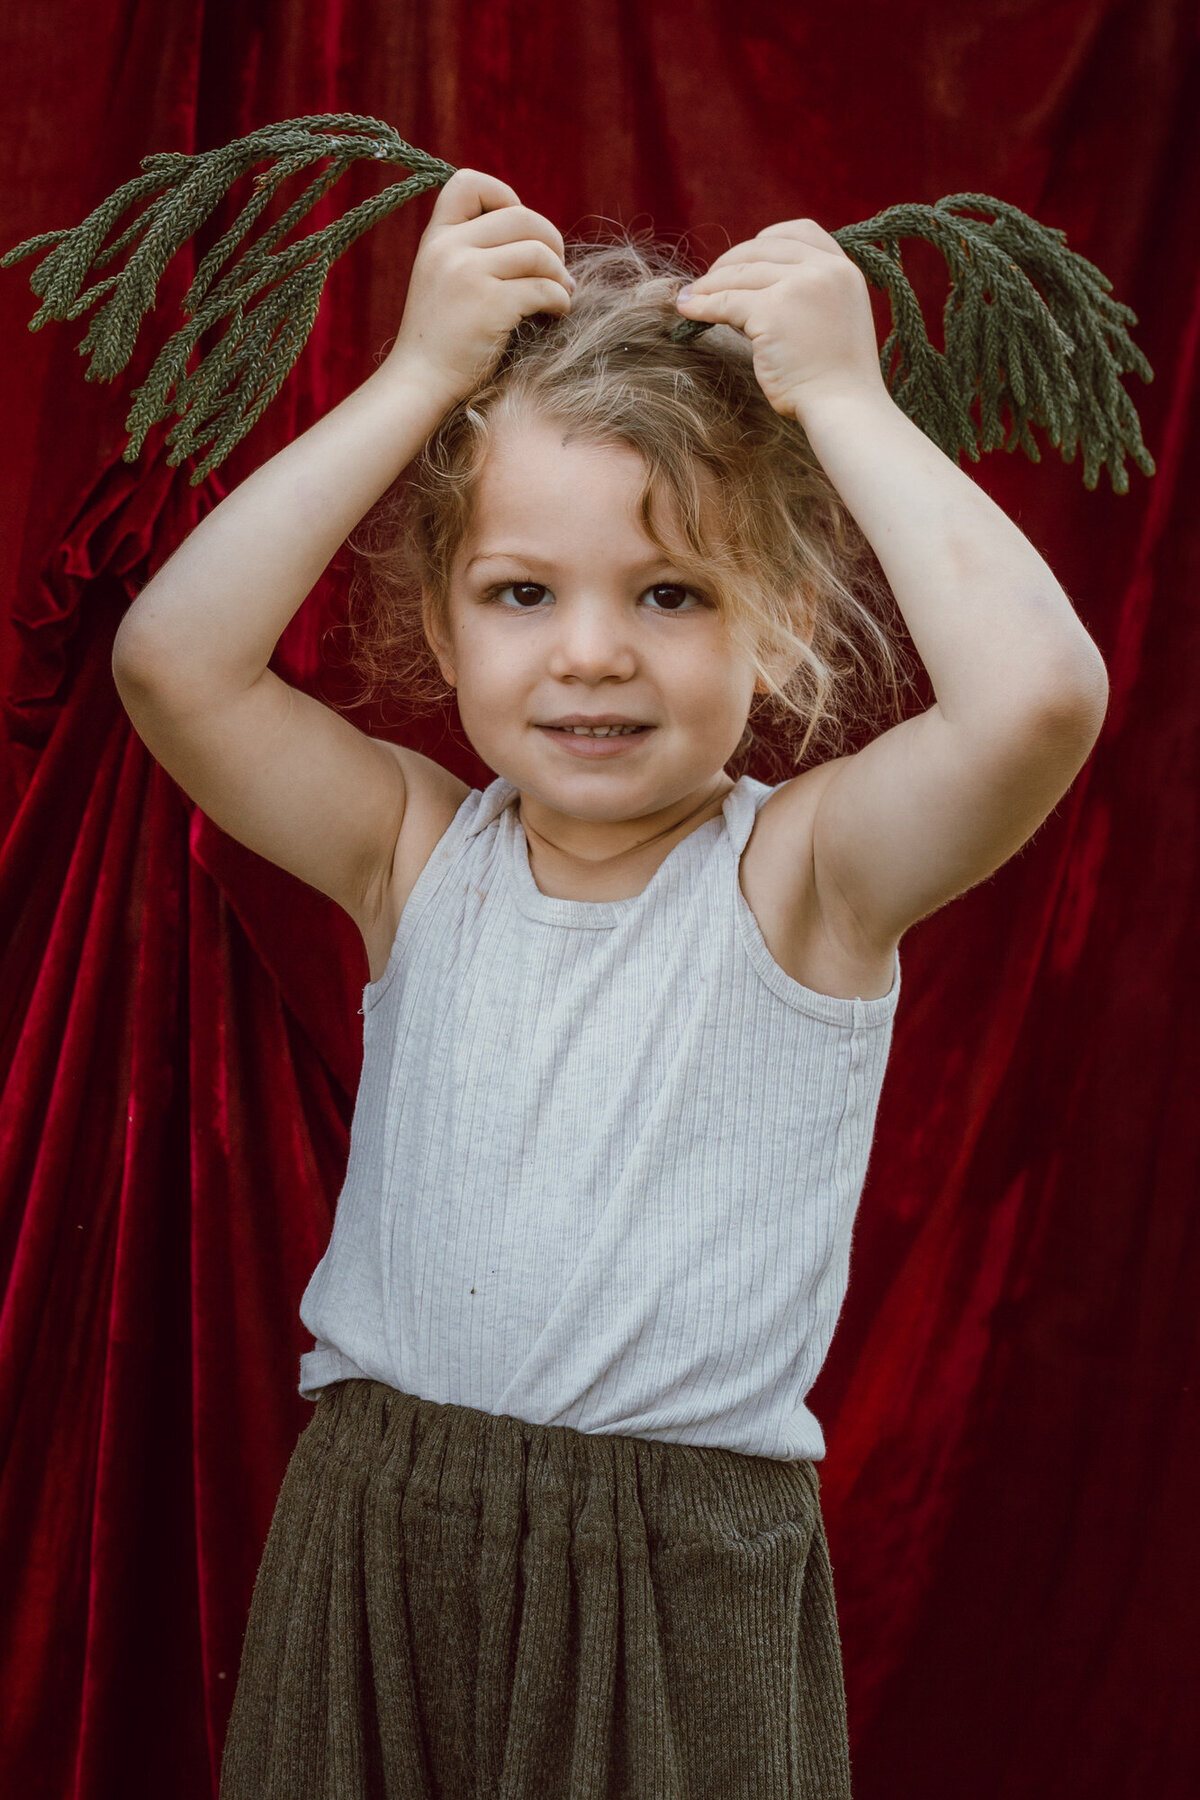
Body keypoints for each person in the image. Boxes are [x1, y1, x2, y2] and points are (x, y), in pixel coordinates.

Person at [111, 167, 1110, 1799]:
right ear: (442, 627)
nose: (591, 652)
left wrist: (842, 396)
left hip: (674, 1566)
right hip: (377, 1524)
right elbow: (172, 660)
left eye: (671, 592)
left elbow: (1038, 701)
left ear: (776, 621)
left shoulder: (806, 876)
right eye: (523, 593)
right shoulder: (415, 851)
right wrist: (417, 377)